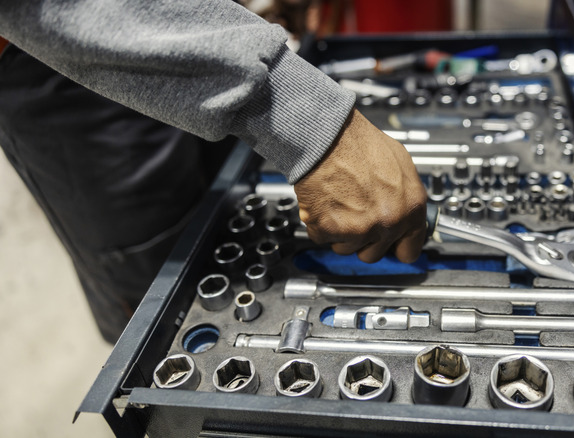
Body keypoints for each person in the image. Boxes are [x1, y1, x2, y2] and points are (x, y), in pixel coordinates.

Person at [0, 0, 428, 343]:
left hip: (208, 26)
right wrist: (309, 119)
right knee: (162, 297)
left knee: (228, 214)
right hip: (63, 60)